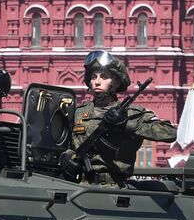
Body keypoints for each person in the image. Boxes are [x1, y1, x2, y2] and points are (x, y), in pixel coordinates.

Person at [65, 51, 176, 186]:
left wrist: (125, 124)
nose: (97, 82)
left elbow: (170, 133)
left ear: (116, 83)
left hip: (116, 188)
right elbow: (66, 145)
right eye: (94, 77)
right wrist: (67, 158)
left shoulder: (131, 113)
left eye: (104, 77)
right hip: (79, 187)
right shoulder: (79, 113)